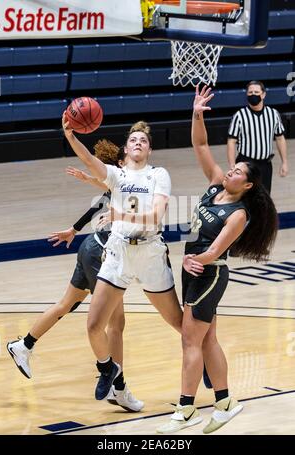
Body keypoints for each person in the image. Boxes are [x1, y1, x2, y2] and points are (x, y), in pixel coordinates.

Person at [157, 85, 278, 435]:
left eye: (239, 171)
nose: (231, 171)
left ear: (249, 185)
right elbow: (199, 145)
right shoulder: (214, 185)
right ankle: (225, 403)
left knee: (190, 341)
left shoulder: (238, 213)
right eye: (234, 167)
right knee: (207, 340)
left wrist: (193, 261)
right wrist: (197, 112)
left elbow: (215, 251)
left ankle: (186, 409)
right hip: (196, 271)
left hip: (209, 274)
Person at [62, 113, 205, 402]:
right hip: (119, 253)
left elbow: (155, 216)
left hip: (150, 252)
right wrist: (71, 136)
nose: (138, 143)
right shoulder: (117, 175)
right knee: (93, 326)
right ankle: (107, 367)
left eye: (143, 141)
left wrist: (118, 214)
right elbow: (90, 160)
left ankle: (207, 363)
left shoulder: (158, 174)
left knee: (180, 324)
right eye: (133, 140)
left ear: (149, 150)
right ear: (125, 150)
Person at [7, 140, 144, 413]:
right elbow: (110, 201)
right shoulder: (132, 182)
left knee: (66, 304)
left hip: (90, 247)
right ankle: (119, 388)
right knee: (116, 324)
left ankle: (23, 345)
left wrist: (75, 227)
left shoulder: (127, 181)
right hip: (102, 254)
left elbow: (103, 200)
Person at [227, 80, 288, 194]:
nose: (253, 95)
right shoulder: (240, 115)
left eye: (256, 92)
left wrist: (284, 162)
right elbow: (231, 141)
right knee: (245, 197)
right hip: (246, 164)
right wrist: (232, 166)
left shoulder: (273, 114)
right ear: (246, 95)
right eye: (250, 92)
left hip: (265, 165)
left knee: (264, 197)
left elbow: (280, 138)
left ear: (263, 94)